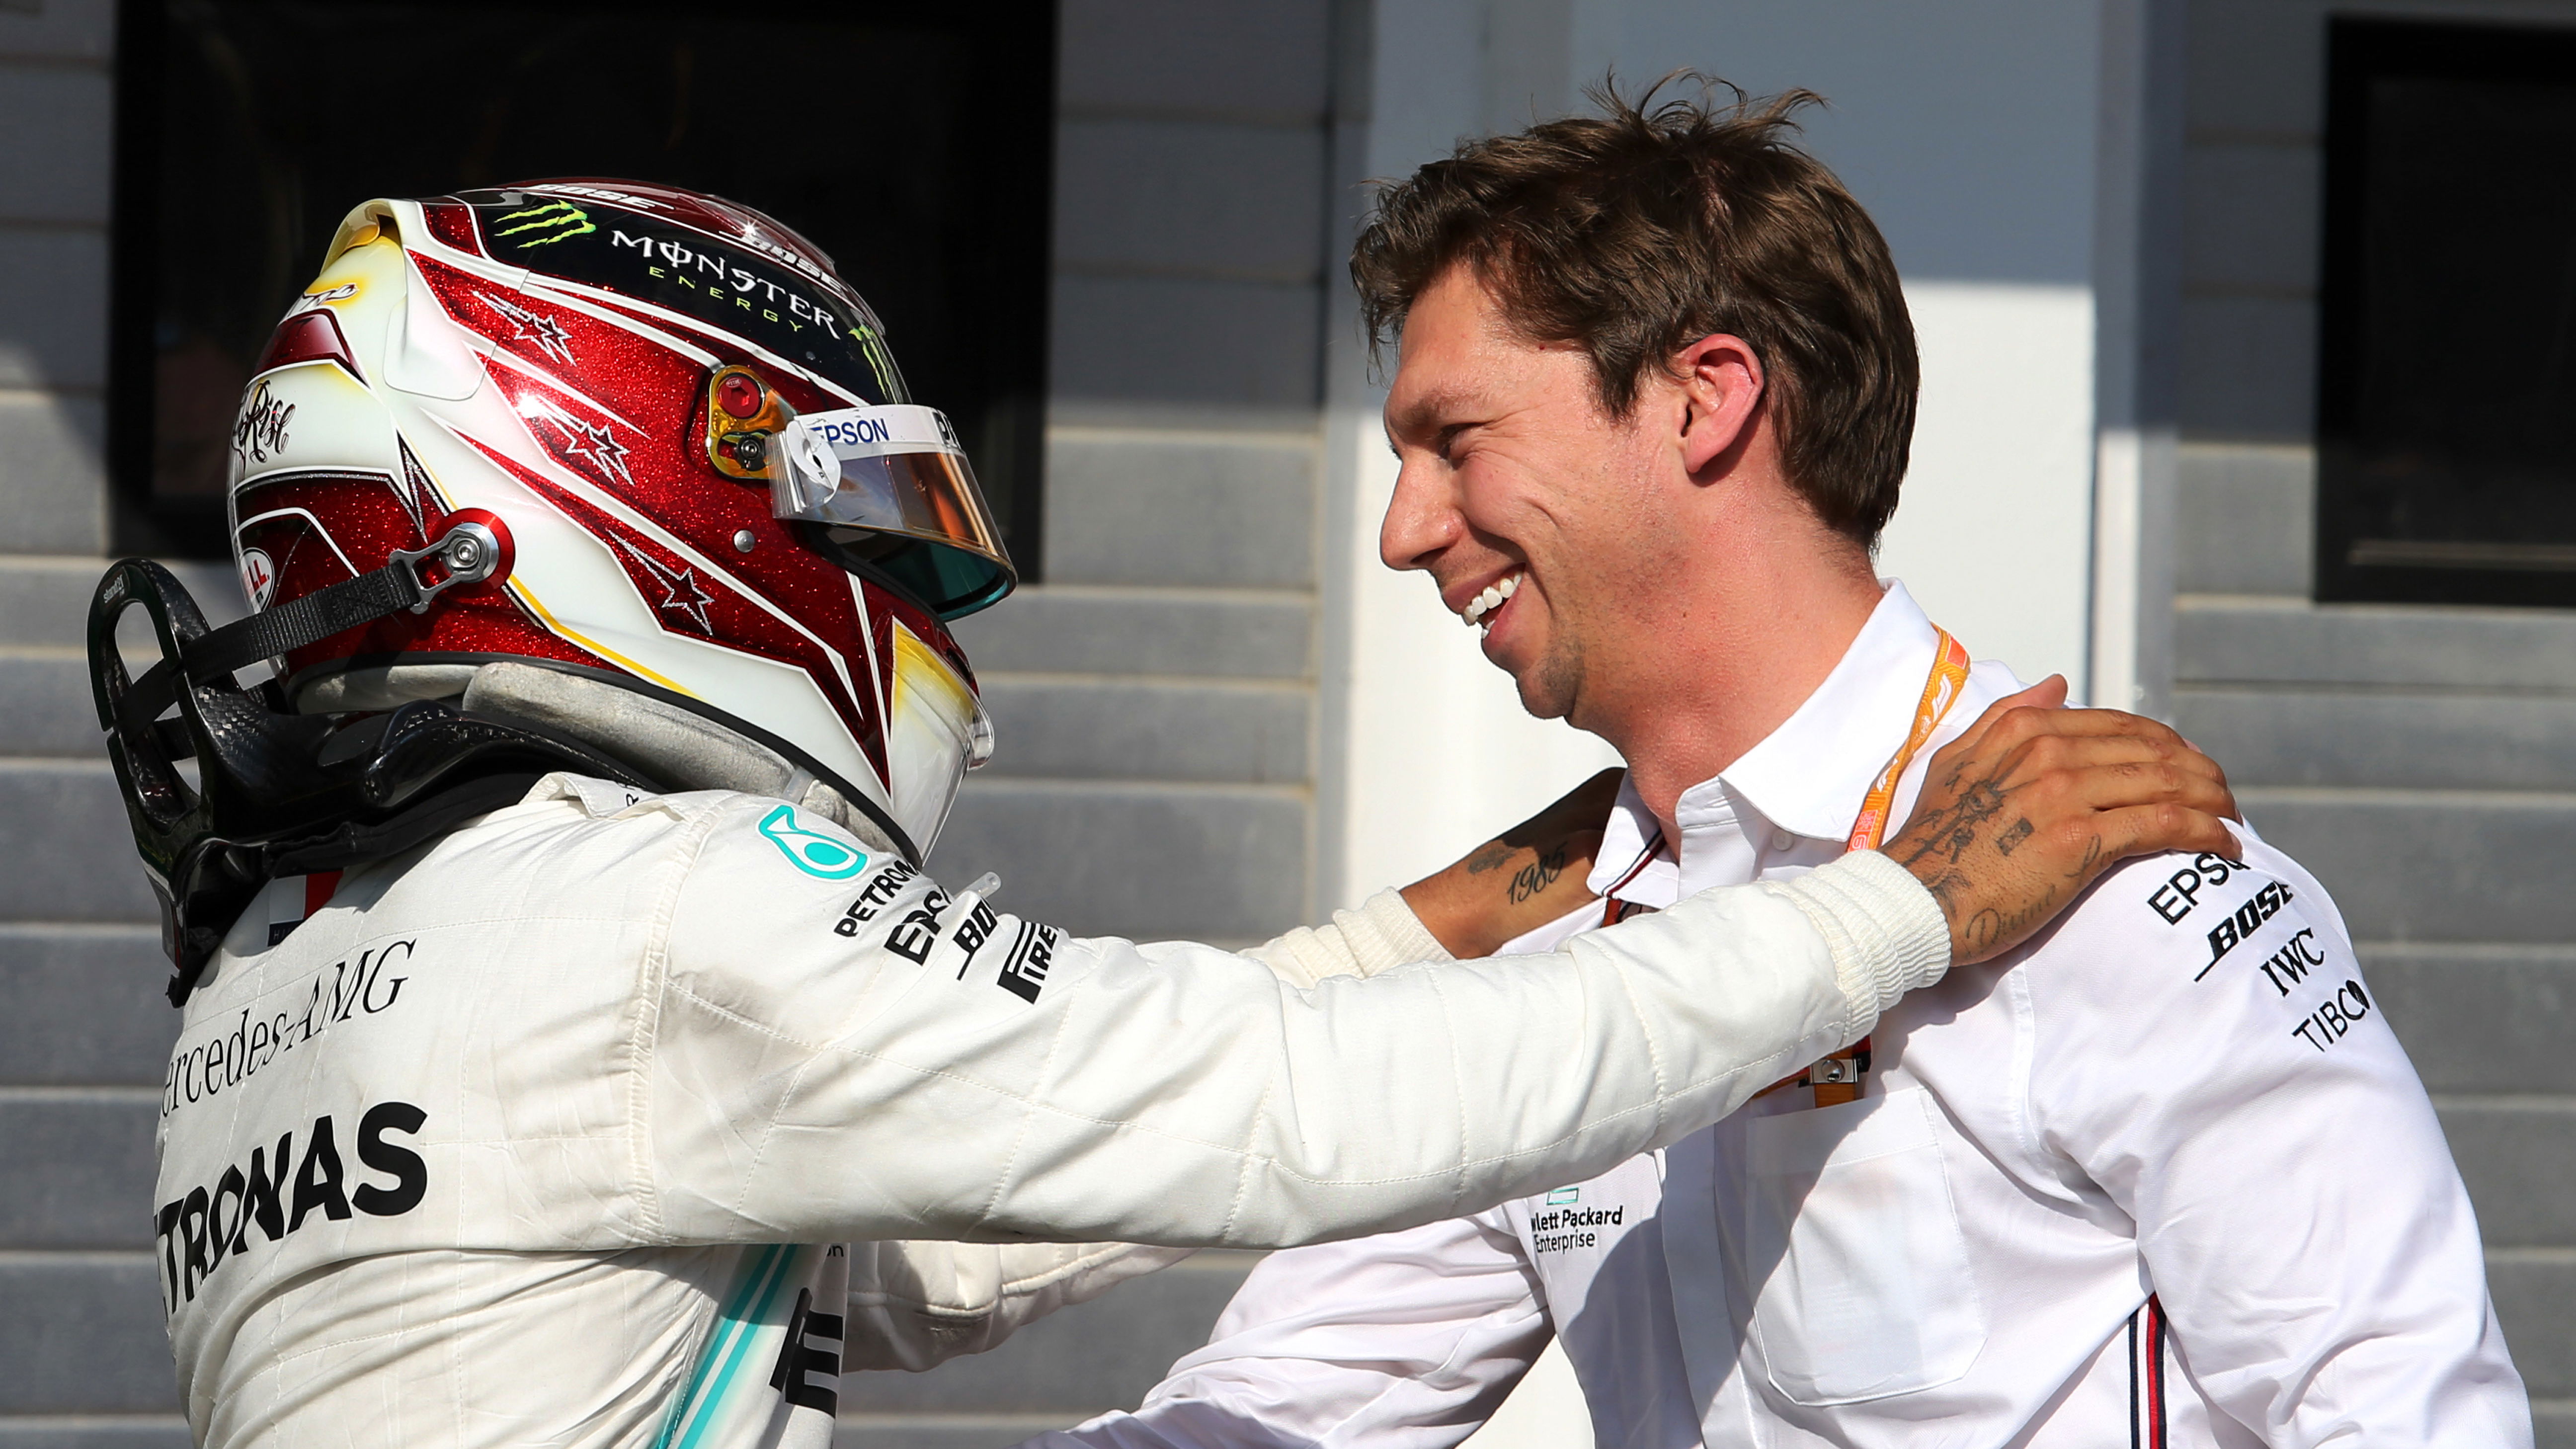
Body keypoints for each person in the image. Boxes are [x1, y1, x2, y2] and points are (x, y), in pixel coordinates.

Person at [111, 178, 2232, 1449]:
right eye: (841, 502)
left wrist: (1443, 917)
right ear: (631, 486)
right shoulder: (656, 917)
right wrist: (1902, 903)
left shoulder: (311, 973)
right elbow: (1275, 1116)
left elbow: (926, 1242)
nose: (894, 572)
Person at [1033, 85, 2530, 1448]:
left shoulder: (2113, 862)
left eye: (1455, 438)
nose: (1406, 527)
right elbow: (1261, 1417)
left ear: (1708, 397)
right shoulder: (1550, 936)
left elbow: (2408, 1413)